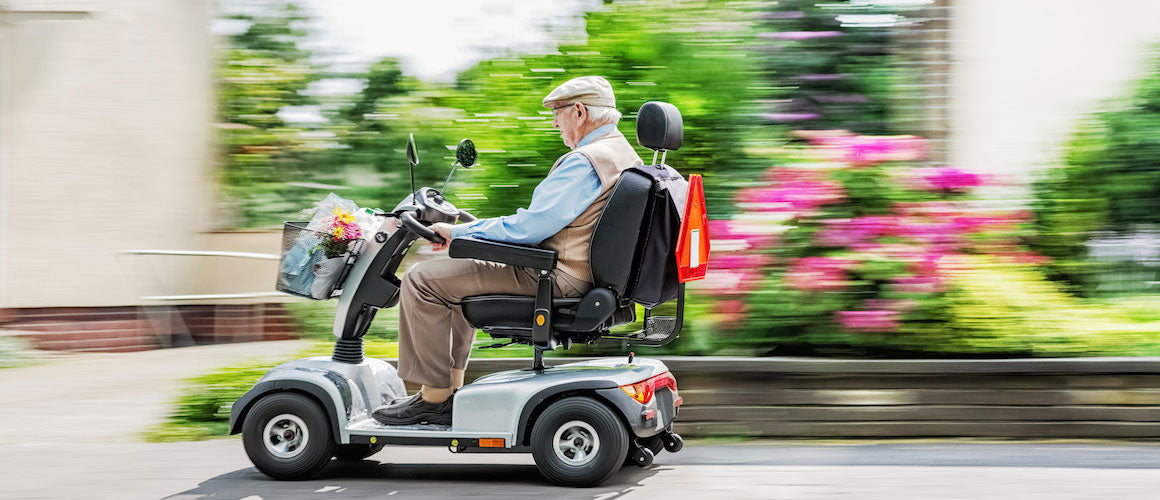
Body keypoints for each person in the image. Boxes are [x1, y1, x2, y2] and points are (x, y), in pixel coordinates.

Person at [372, 76, 644, 425]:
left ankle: (435, 398)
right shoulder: (623, 154)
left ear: (578, 112)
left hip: (555, 276)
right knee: (451, 272)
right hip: (582, 274)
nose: (554, 123)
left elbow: (530, 228)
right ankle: (448, 391)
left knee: (422, 279)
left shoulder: (584, 161)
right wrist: (466, 234)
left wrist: (458, 232)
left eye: (557, 114)